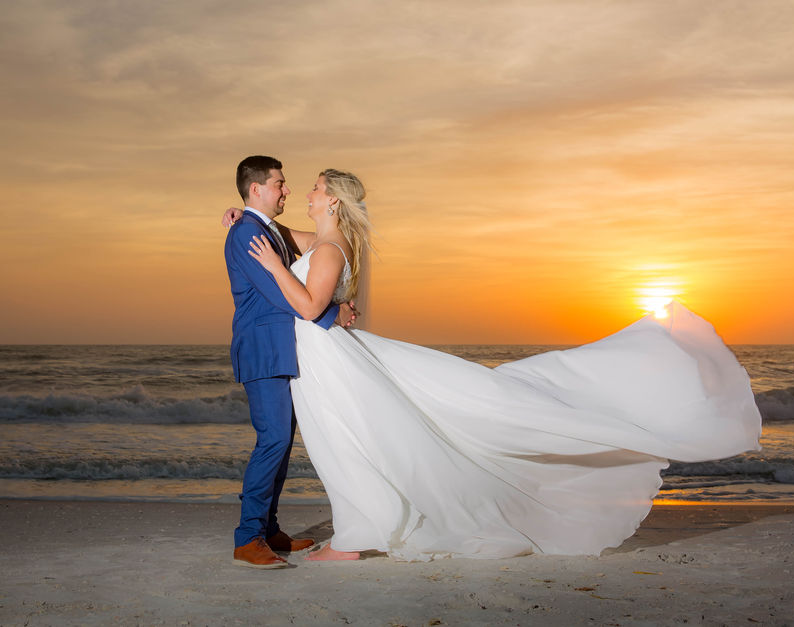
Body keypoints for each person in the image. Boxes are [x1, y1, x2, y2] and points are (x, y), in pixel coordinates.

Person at [233, 168, 762, 562]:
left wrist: (277, 266)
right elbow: (285, 241)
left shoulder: (329, 248)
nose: (302, 192)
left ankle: (352, 536)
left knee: (350, 440)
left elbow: (308, 303)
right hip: (320, 355)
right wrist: (246, 219)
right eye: (290, 185)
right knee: (348, 440)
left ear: (333, 199)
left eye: (314, 187)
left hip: (326, 356)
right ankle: (348, 528)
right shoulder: (321, 240)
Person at [223, 156, 355, 569]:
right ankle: (248, 538)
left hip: (283, 350)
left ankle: (269, 528)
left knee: (281, 443)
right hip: (263, 349)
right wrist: (333, 313)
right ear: (257, 189)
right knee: (273, 440)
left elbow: (314, 247)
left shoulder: (264, 229)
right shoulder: (248, 232)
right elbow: (279, 292)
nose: (287, 190)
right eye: (279, 183)